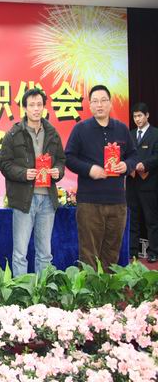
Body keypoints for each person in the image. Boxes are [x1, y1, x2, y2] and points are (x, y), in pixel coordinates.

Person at [65, 84, 137, 271]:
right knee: (89, 253)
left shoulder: (122, 129)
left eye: (103, 100)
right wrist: (89, 169)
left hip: (117, 202)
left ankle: (106, 287)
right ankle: (89, 289)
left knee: (112, 253)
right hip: (90, 202)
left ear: (110, 103)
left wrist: (126, 165)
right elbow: (69, 158)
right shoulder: (81, 129)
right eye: (95, 101)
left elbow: (133, 155)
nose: (99, 105)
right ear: (89, 105)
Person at [0, 88, 66, 276]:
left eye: (39, 105)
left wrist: (58, 171)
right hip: (23, 200)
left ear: (44, 107)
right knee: (20, 253)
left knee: (45, 253)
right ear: (25, 108)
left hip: (47, 200)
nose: (36, 109)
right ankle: (22, 289)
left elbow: (61, 160)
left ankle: (42, 289)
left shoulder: (52, 133)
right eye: (32, 105)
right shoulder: (14, 134)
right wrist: (24, 173)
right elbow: (4, 164)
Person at [127, 102, 158, 262]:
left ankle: (153, 252)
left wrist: (144, 165)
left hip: (149, 183)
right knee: (133, 218)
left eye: (140, 116)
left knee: (151, 220)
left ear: (147, 115)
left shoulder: (155, 134)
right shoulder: (130, 134)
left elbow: (156, 156)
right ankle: (132, 251)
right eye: (135, 116)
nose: (137, 119)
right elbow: (125, 154)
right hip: (132, 183)